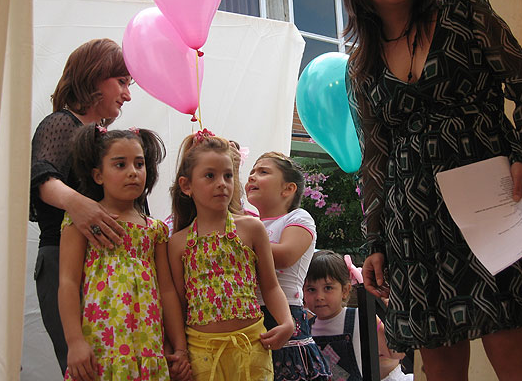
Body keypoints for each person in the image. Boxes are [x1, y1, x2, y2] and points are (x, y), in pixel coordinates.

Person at [341, 0, 522, 381]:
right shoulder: (361, 66)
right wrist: (376, 243)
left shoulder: (465, 13)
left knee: (512, 350)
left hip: (489, 203)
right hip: (415, 228)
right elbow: (375, 159)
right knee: (440, 366)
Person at [30, 38, 131, 373]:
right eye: (121, 82)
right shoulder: (61, 123)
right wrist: (78, 204)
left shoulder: (103, 141)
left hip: (101, 268)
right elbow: (42, 177)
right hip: (62, 262)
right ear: (93, 76)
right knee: (84, 368)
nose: (127, 95)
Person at [59, 125, 191, 381]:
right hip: (99, 349)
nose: (133, 172)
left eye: (139, 164)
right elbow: (68, 281)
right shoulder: (81, 222)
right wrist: (74, 341)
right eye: (120, 165)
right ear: (98, 175)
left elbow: (166, 290)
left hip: (149, 350)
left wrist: (180, 348)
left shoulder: (155, 230)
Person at [167, 131, 295, 381]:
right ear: (186, 186)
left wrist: (287, 322)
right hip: (201, 353)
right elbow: (178, 303)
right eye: (210, 176)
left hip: (252, 348)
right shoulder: (177, 243)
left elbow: (270, 286)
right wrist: (180, 350)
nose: (222, 183)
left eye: (228, 175)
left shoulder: (252, 228)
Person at [244, 152, 332, 380]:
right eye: (252, 171)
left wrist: (239, 240)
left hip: (285, 315)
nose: (252, 176)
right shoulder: (249, 225)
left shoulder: (298, 218)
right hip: (248, 316)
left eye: (263, 172)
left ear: (288, 189)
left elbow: (285, 256)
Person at [304, 250, 411, 381]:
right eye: (311, 289)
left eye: (328, 288)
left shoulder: (360, 318)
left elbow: (396, 353)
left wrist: (395, 317)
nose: (319, 297)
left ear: (345, 290)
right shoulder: (305, 329)